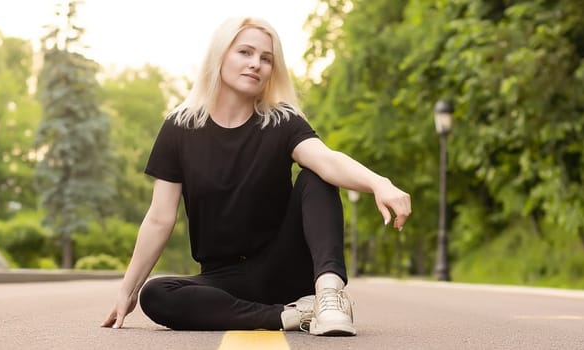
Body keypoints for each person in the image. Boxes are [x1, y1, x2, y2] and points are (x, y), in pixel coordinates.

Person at [99, 17, 411, 336]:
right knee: (157, 294)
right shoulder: (180, 128)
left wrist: (379, 184)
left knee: (316, 176)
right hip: (223, 280)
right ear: (220, 55)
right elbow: (159, 219)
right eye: (245, 53)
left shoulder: (282, 121)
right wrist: (129, 289)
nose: (256, 64)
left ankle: (329, 296)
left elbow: (327, 160)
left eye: (266, 58)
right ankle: (289, 317)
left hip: (286, 268)